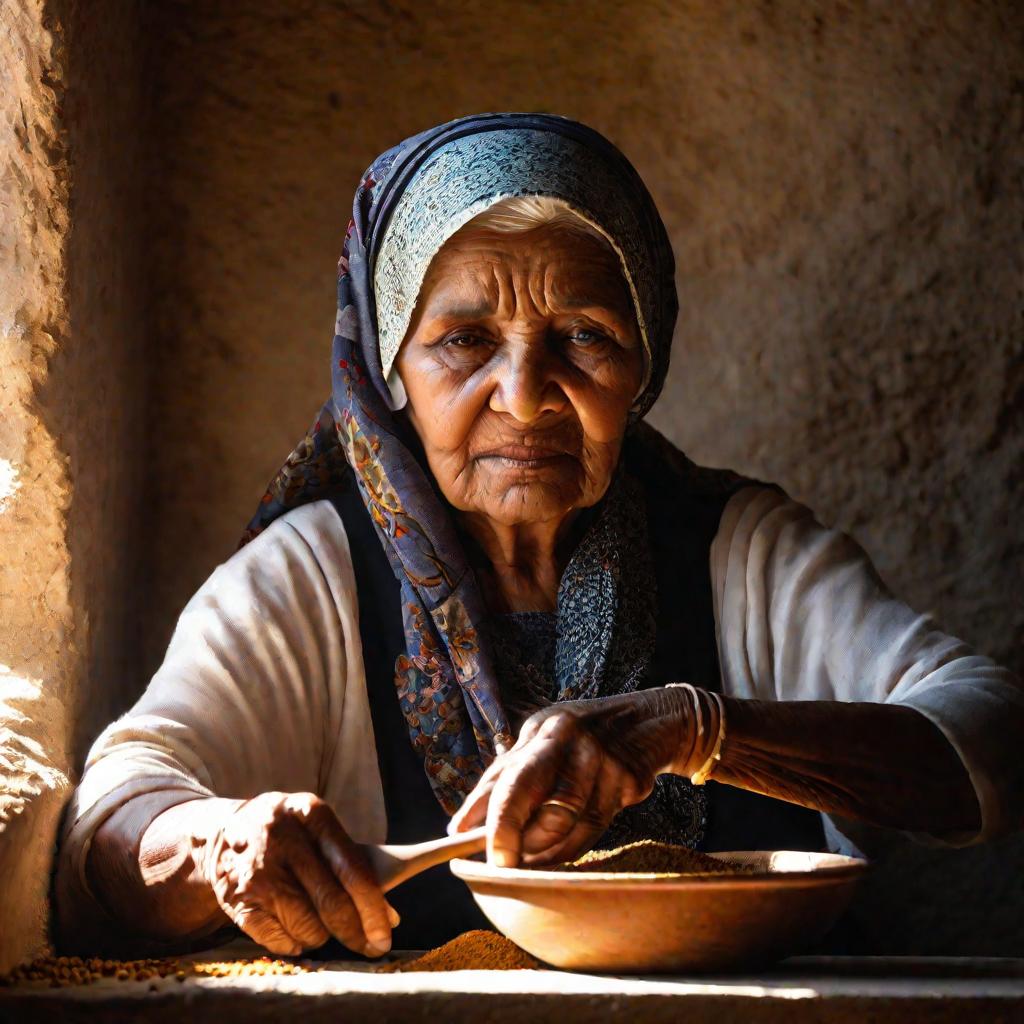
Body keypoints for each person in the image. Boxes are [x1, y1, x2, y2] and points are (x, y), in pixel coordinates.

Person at [55, 113, 1023, 959]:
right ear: (392, 372)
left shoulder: (740, 554)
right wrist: (222, 840)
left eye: (585, 335)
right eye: (464, 341)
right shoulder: (315, 576)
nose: (523, 396)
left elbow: (991, 745)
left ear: (643, 366)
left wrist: (695, 727)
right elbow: (110, 820)